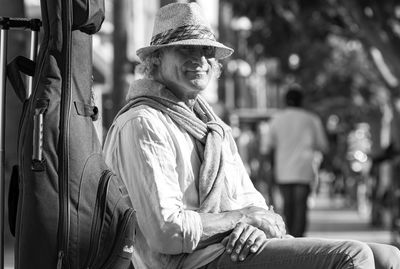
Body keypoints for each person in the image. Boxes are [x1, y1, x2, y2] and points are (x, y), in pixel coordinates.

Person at [103, 2, 400, 269]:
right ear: (156, 60)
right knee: (353, 255)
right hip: (191, 262)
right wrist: (242, 220)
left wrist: (254, 225)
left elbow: (259, 209)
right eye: (185, 49)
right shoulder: (144, 122)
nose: (199, 59)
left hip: (234, 244)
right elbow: (167, 233)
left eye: (206, 51)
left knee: (388, 256)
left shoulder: (213, 128)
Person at [262, 86, 329, 237]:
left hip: (283, 171)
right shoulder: (312, 119)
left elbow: (266, 148)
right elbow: (323, 145)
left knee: (287, 207)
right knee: (300, 208)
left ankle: (291, 238)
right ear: (302, 101)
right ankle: (299, 239)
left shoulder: (276, 119)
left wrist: (268, 170)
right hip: (304, 170)